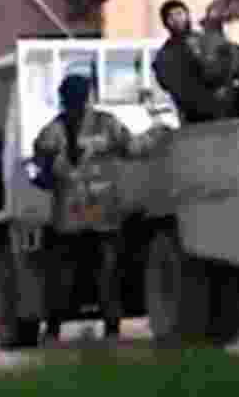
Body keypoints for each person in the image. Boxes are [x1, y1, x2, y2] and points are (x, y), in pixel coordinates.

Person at [32, 74, 169, 341]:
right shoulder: (106, 125)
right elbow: (134, 147)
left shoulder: (54, 130)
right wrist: (160, 132)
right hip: (103, 215)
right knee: (107, 275)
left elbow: (39, 165)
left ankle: (53, 330)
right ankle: (111, 330)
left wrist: (52, 174)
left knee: (64, 277)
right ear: (89, 96)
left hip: (69, 219)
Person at [151, 0, 239, 124]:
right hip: (197, 121)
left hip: (229, 115)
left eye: (179, 13)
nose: (176, 19)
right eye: (171, 17)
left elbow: (237, 60)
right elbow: (180, 87)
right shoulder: (165, 55)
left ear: (187, 15)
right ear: (166, 23)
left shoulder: (205, 39)